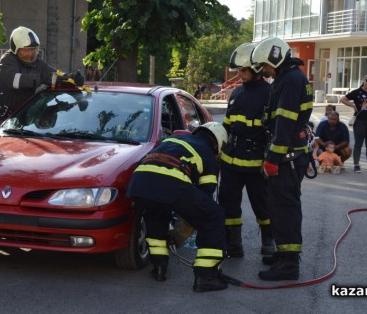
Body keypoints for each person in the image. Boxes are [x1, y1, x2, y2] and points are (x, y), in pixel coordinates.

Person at [126, 122, 229, 293]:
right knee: (213, 216)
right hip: (171, 185)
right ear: (218, 143)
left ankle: (159, 267)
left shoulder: (175, 139)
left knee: (156, 216)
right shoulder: (208, 153)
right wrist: (187, 222)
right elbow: (206, 194)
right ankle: (206, 276)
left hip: (140, 184)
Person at [250, 36, 313, 281]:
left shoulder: (289, 80)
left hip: (287, 157)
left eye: (265, 66)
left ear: (275, 59)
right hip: (290, 154)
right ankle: (283, 253)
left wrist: (273, 159)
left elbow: (284, 123)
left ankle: (289, 264)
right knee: (279, 206)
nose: (264, 71)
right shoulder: (290, 77)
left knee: (285, 209)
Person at [0, 26, 85, 140]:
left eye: (32, 49)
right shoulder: (7, 61)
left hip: (14, 121)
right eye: (25, 50)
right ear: (16, 49)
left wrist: (72, 80)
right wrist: (42, 78)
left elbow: (54, 75)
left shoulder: (37, 63)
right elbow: (15, 81)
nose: (30, 54)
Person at [218, 43, 273, 260]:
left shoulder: (271, 93)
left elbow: (273, 130)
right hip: (232, 159)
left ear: (257, 69)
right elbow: (228, 125)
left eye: (243, 70)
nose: (239, 74)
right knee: (228, 203)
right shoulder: (237, 92)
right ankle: (234, 245)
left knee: (262, 203)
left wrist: (268, 159)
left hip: (256, 161)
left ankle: (268, 242)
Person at [340, 74, 367, 173]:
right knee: (358, 143)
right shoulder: (357, 92)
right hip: (359, 120)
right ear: (364, 80)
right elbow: (343, 99)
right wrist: (352, 105)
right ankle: (356, 165)